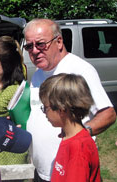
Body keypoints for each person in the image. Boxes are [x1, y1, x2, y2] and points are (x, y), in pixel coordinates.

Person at [23, 19, 116, 182]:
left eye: (40, 44)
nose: (35, 51)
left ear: (58, 41)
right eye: (29, 46)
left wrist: (80, 136)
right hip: (42, 171)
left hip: (71, 169)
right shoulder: (38, 74)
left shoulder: (79, 70)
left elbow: (108, 113)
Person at [39, 73, 101, 182]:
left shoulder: (78, 149)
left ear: (61, 109)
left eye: (45, 108)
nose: (44, 113)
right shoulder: (69, 137)